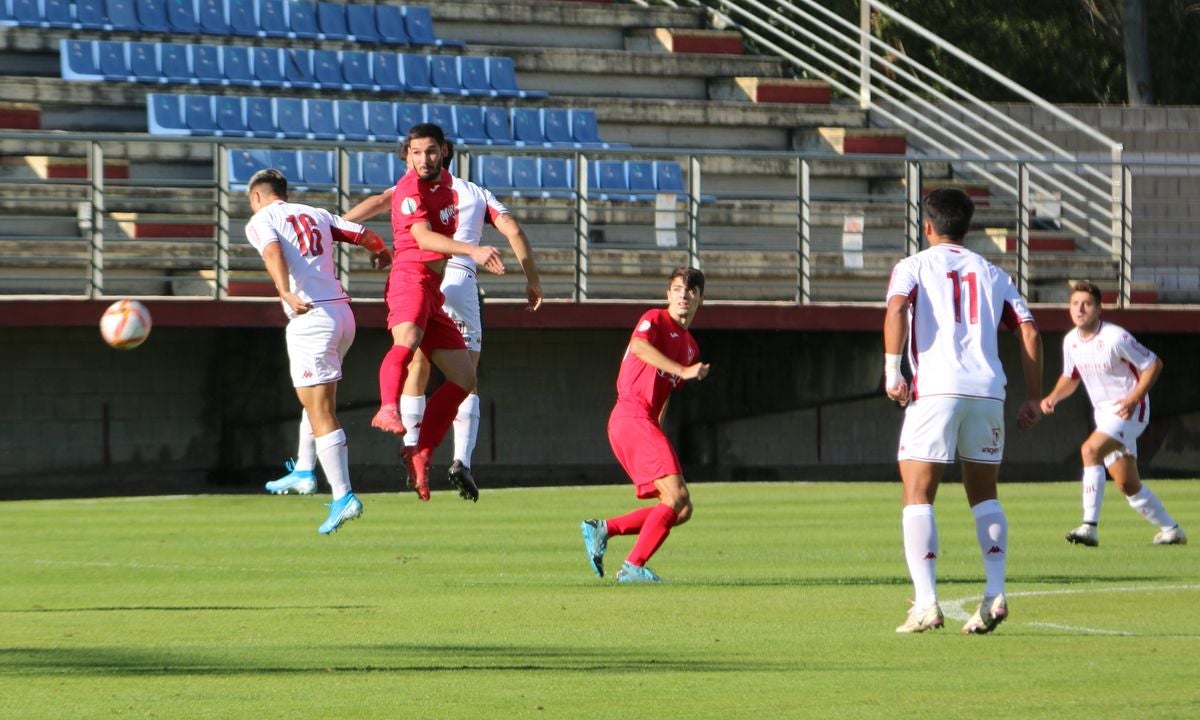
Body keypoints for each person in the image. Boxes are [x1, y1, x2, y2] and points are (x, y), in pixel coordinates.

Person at [342, 142, 543, 502]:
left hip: (427, 273)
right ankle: (461, 459)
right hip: (461, 276)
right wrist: (532, 279)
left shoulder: (410, 186)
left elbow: (376, 202)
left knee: (417, 363)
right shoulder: (476, 192)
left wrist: (339, 224)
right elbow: (512, 229)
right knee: (466, 376)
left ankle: (409, 443)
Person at [883, 188, 1043, 634]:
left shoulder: (913, 265)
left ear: (927, 226)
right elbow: (1028, 332)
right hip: (988, 390)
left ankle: (928, 602)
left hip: (935, 389)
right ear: (968, 228)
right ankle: (994, 592)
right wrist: (1033, 396)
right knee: (985, 494)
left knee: (918, 493)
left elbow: (897, 307)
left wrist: (892, 371)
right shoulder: (993, 272)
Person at [243, 168, 391, 534]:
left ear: (257, 197)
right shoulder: (316, 213)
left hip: (311, 318)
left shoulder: (262, 219)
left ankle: (344, 496)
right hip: (342, 315)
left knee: (320, 409)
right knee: (315, 402)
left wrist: (284, 291)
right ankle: (305, 471)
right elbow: (365, 234)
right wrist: (381, 252)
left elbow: (273, 252)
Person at [370, 122, 506, 502]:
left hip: (433, 289)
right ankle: (386, 408)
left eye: (430, 151)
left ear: (443, 151)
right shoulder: (411, 187)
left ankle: (421, 452)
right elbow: (423, 238)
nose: (423, 159)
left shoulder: (446, 185)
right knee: (409, 341)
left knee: (463, 378)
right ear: (407, 155)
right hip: (410, 278)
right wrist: (472, 250)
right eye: (415, 152)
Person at [579, 267, 710, 584]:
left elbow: (664, 395)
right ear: (668, 294)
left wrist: (659, 433)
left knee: (681, 508)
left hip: (644, 422)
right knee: (675, 497)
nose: (683, 295)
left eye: (690, 291)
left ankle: (604, 528)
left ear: (700, 300)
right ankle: (632, 567)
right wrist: (684, 369)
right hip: (630, 415)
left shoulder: (691, 346)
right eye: (677, 289)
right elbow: (639, 347)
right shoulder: (655, 318)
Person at [1039, 280, 1187, 546]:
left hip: (1130, 409)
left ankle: (1089, 527)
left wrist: (1134, 398)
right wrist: (1053, 397)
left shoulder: (1116, 337)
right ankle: (1172, 530)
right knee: (1127, 484)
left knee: (1090, 450)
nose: (1079, 309)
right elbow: (1070, 377)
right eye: (1075, 304)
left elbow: (1153, 364)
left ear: (1099, 309)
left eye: (1086, 304)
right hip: (1104, 414)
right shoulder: (1070, 341)